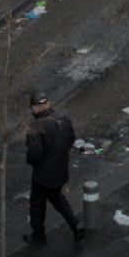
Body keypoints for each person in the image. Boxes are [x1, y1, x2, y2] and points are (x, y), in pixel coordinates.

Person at [24, 92, 85, 245]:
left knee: (37, 204)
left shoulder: (36, 127)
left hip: (43, 174)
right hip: (60, 169)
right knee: (57, 198)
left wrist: (31, 161)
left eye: (32, 107)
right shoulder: (63, 119)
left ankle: (39, 236)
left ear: (36, 107)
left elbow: (34, 154)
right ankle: (75, 225)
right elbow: (70, 140)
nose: (32, 110)